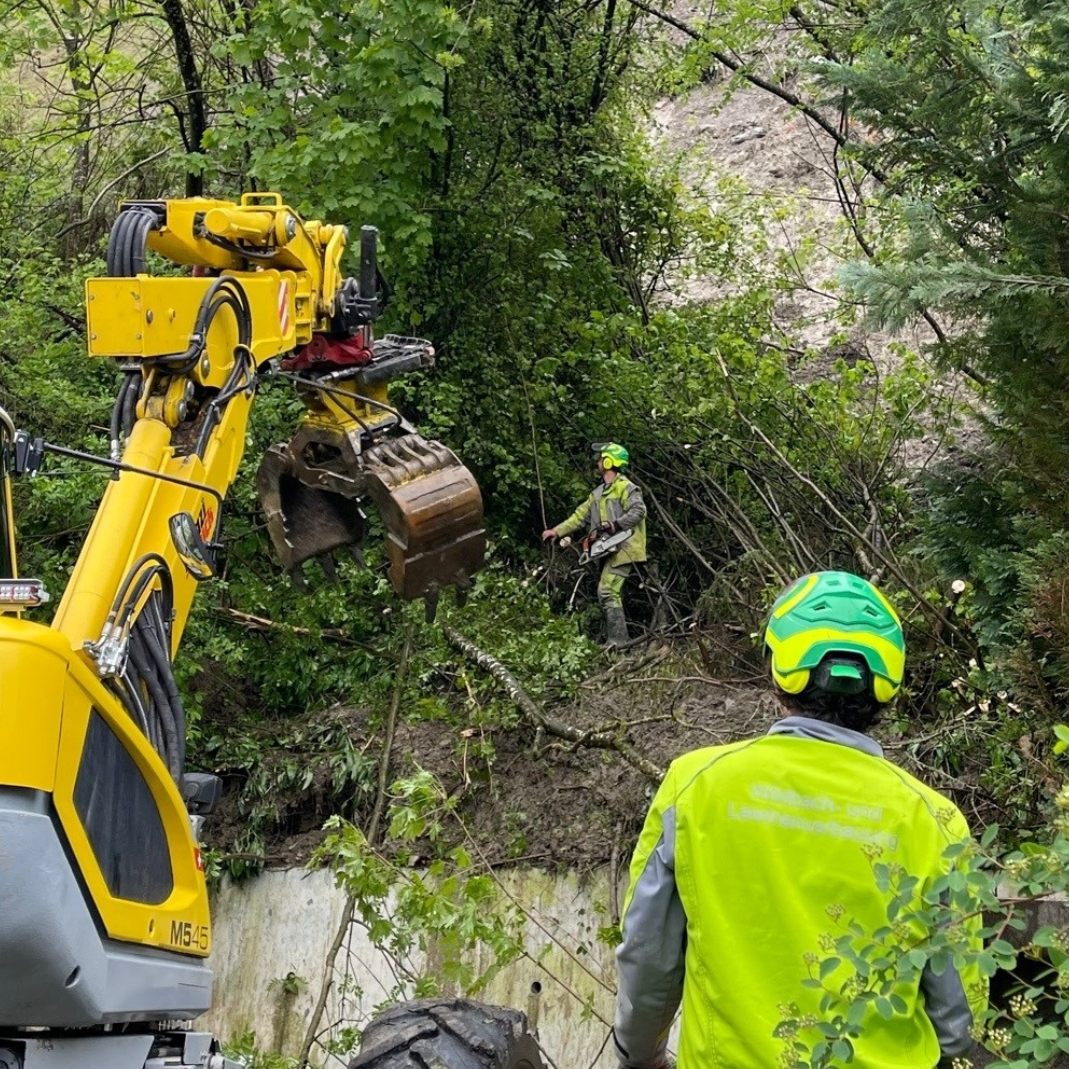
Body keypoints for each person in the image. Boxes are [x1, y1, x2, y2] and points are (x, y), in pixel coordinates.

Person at [613, 571, 987, 1069]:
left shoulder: (696, 785)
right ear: (886, 689)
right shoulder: (935, 821)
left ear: (775, 669)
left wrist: (641, 1058)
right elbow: (960, 1017)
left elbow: (648, 959)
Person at [542, 442, 647, 646]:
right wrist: (556, 531)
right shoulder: (598, 494)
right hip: (609, 550)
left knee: (607, 591)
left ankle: (619, 642)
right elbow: (579, 516)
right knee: (609, 593)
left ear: (609, 462)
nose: (598, 462)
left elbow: (638, 511)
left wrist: (615, 526)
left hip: (626, 549)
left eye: (601, 459)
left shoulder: (627, 488)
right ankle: (617, 639)